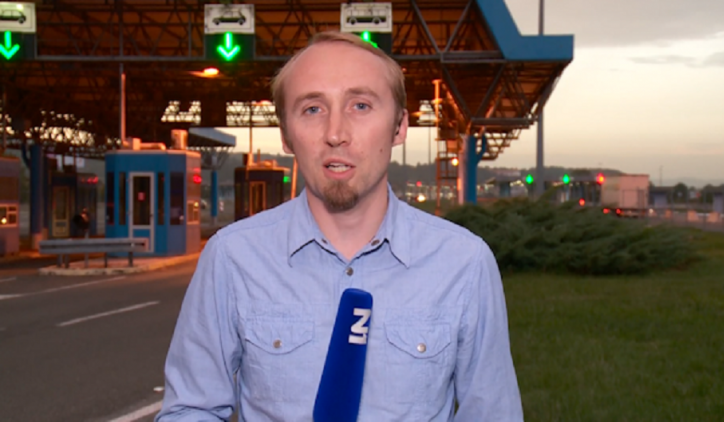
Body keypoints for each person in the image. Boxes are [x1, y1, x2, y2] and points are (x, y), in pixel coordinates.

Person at [156, 31, 523, 421]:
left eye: (360, 105)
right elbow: (190, 409)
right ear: (286, 135)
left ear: (399, 127)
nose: (335, 134)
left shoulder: (464, 264)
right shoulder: (232, 258)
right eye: (312, 109)